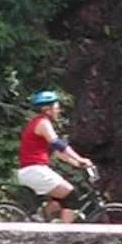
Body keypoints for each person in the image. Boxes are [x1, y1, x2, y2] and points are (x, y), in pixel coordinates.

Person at [16, 90, 96, 223]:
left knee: (60, 198)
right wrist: (80, 158)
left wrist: (76, 163)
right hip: (35, 170)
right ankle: (64, 236)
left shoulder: (38, 122)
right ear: (47, 108)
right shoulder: (43, 123)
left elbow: (57, 152)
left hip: (32, 171)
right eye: (56, 106)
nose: (58, 110)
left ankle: (41, 219)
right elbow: (58, 144)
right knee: (71, 196)